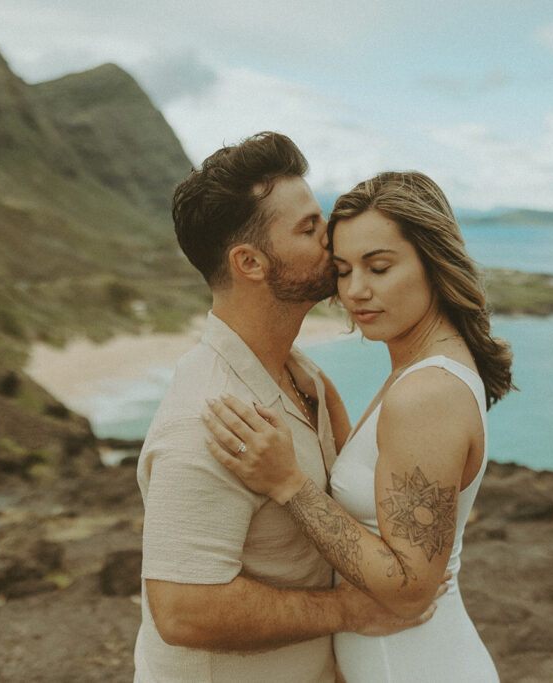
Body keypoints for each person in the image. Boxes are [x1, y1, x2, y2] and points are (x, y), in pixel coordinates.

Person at [134, 135, 440, 683]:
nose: (333, 239)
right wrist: (347, 611)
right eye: (309, 229)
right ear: (250, 262)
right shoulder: (208, 419)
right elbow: (182, 610)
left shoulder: (303, 377)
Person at [204, 171, 514, 682]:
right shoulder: (422, 371)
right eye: (344, 271)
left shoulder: (425, 392)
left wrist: (288, 485)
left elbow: (411, 587)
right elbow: (381, 481)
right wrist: (314, 387)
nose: (356, 291)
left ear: (434, 263)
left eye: (379, 266)